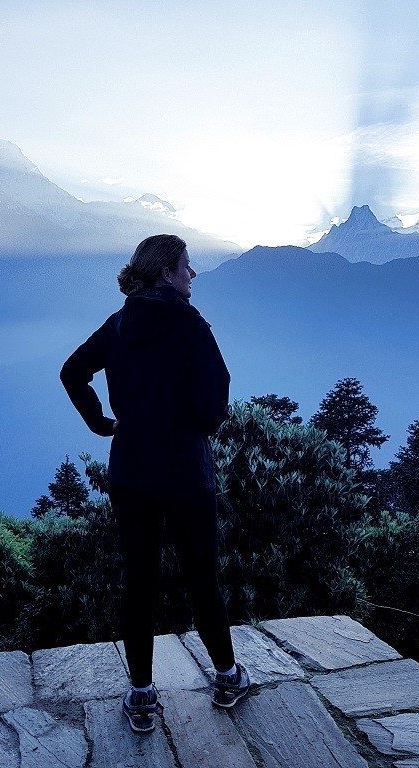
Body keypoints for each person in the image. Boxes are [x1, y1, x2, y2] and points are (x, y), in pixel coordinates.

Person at [61, 234, 250, 734]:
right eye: (187, 267)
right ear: (167, 272)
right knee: (201, 578)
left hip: (130, 470)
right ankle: (227, 677)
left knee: (139, 580)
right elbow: (214, 401)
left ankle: (142, 694)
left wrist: (102, 423)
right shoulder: (190, 325)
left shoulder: (120, 323)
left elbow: (72, 372)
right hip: (186, 472)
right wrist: (199, 427)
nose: (193, 275)